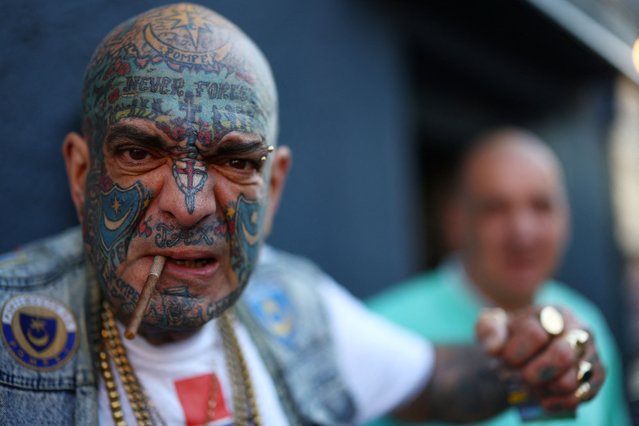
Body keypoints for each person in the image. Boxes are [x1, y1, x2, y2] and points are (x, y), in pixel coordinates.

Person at [0, 5, 605, 425]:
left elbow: (436, 383)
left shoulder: (298, 306)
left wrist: (533, 365)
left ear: (276, 184)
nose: (187, 206)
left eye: (234, 161)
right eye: (139, 153)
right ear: (83, 175)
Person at [368, 128, 630, 425]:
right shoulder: (383, 329)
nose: (523, 233)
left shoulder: (587, 325)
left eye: (541, 206)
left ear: (566, 218)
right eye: (495, 209)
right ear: (456, 221)